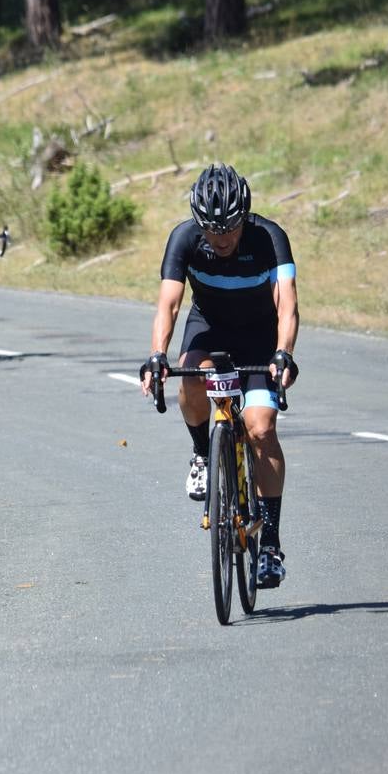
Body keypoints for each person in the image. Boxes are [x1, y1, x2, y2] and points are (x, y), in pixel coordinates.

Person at [140, 163, 299, 588]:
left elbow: (287, 306)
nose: (222, 238)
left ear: (244, 217)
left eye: (230, 228)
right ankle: (200, 453)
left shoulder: (269, 238)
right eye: (212, 230)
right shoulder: (184, 239)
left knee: (261, 428)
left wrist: (283, 354)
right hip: (209, 325)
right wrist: (157, 355)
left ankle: (270, 545)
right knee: (189, 375)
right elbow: (169, 305)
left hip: (260, 336)